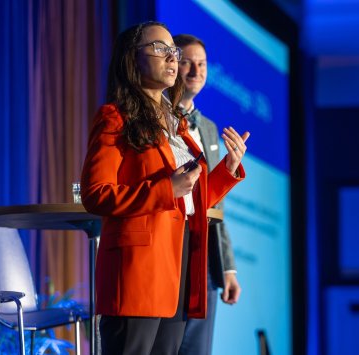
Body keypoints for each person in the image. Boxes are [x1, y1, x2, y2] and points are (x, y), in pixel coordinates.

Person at [80, 21, 250, 354]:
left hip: (180, 263)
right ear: (132, 58)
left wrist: (228, 168)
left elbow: (192, 199)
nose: (172, 58)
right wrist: (164, 189)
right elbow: (95, 193)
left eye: (174, 51)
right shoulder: (115, 117)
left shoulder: (178, 126)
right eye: (161, 49)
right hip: (138, 269)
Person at [173, 34, 241, 355]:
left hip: (205, 261)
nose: (195, 71)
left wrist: (227, 268)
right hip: (171, 252)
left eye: (202, 64)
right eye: (187, 62)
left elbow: (215, 204)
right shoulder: (156, 119)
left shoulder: (210, 128)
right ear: (172, 65)